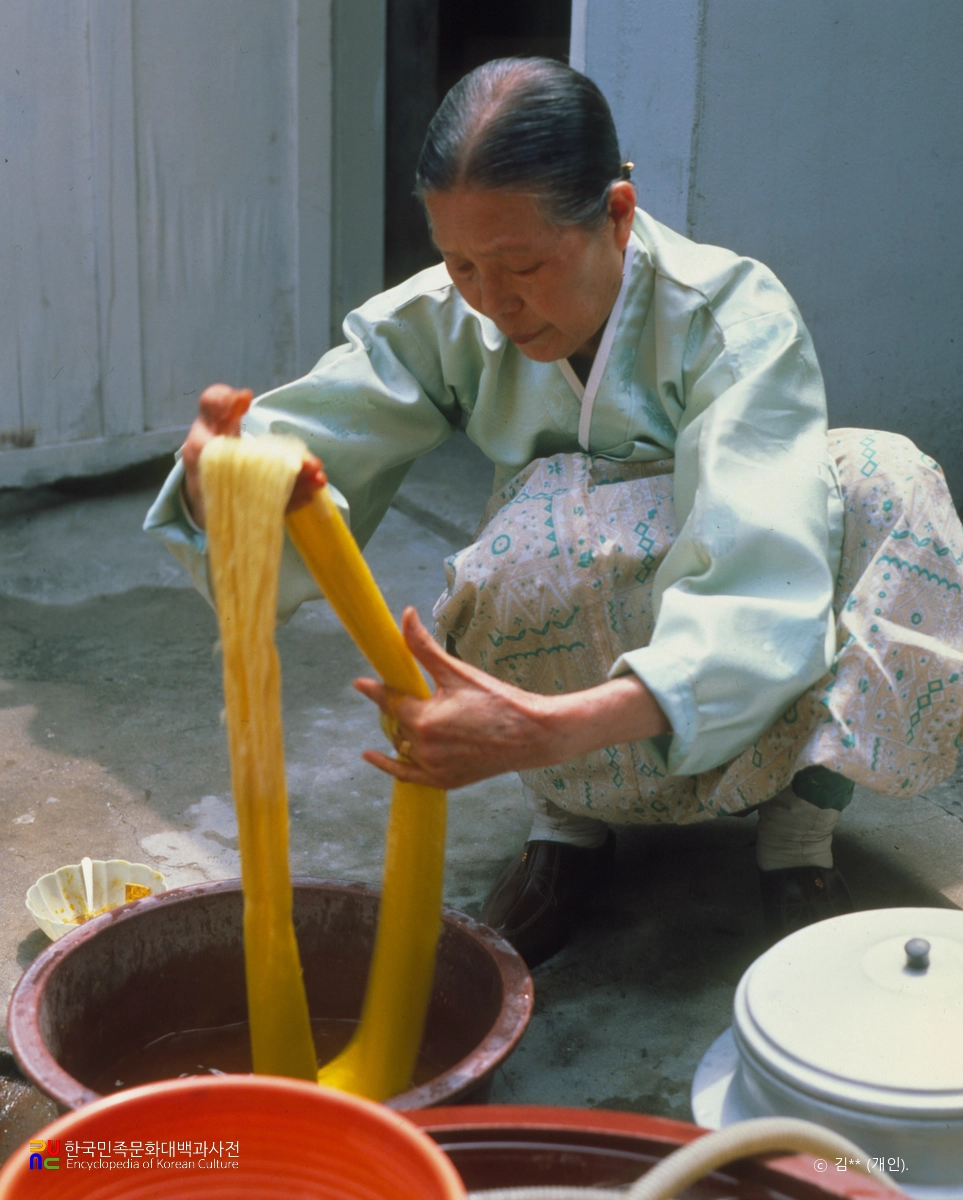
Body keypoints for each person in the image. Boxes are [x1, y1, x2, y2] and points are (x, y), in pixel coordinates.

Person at [147, 58, 963, 967]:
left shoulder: (730, 315)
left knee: (885, 481)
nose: (493, 304)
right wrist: (220, 479)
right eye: (459, 264)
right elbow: (304, 441)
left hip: (702, 618)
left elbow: (756, 570)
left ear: (615, 213)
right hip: (584, 606)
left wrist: (545, 726)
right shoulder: (449, 318)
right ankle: (566, 823)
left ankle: (797, 829)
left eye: (522, 265)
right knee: (537, 532)